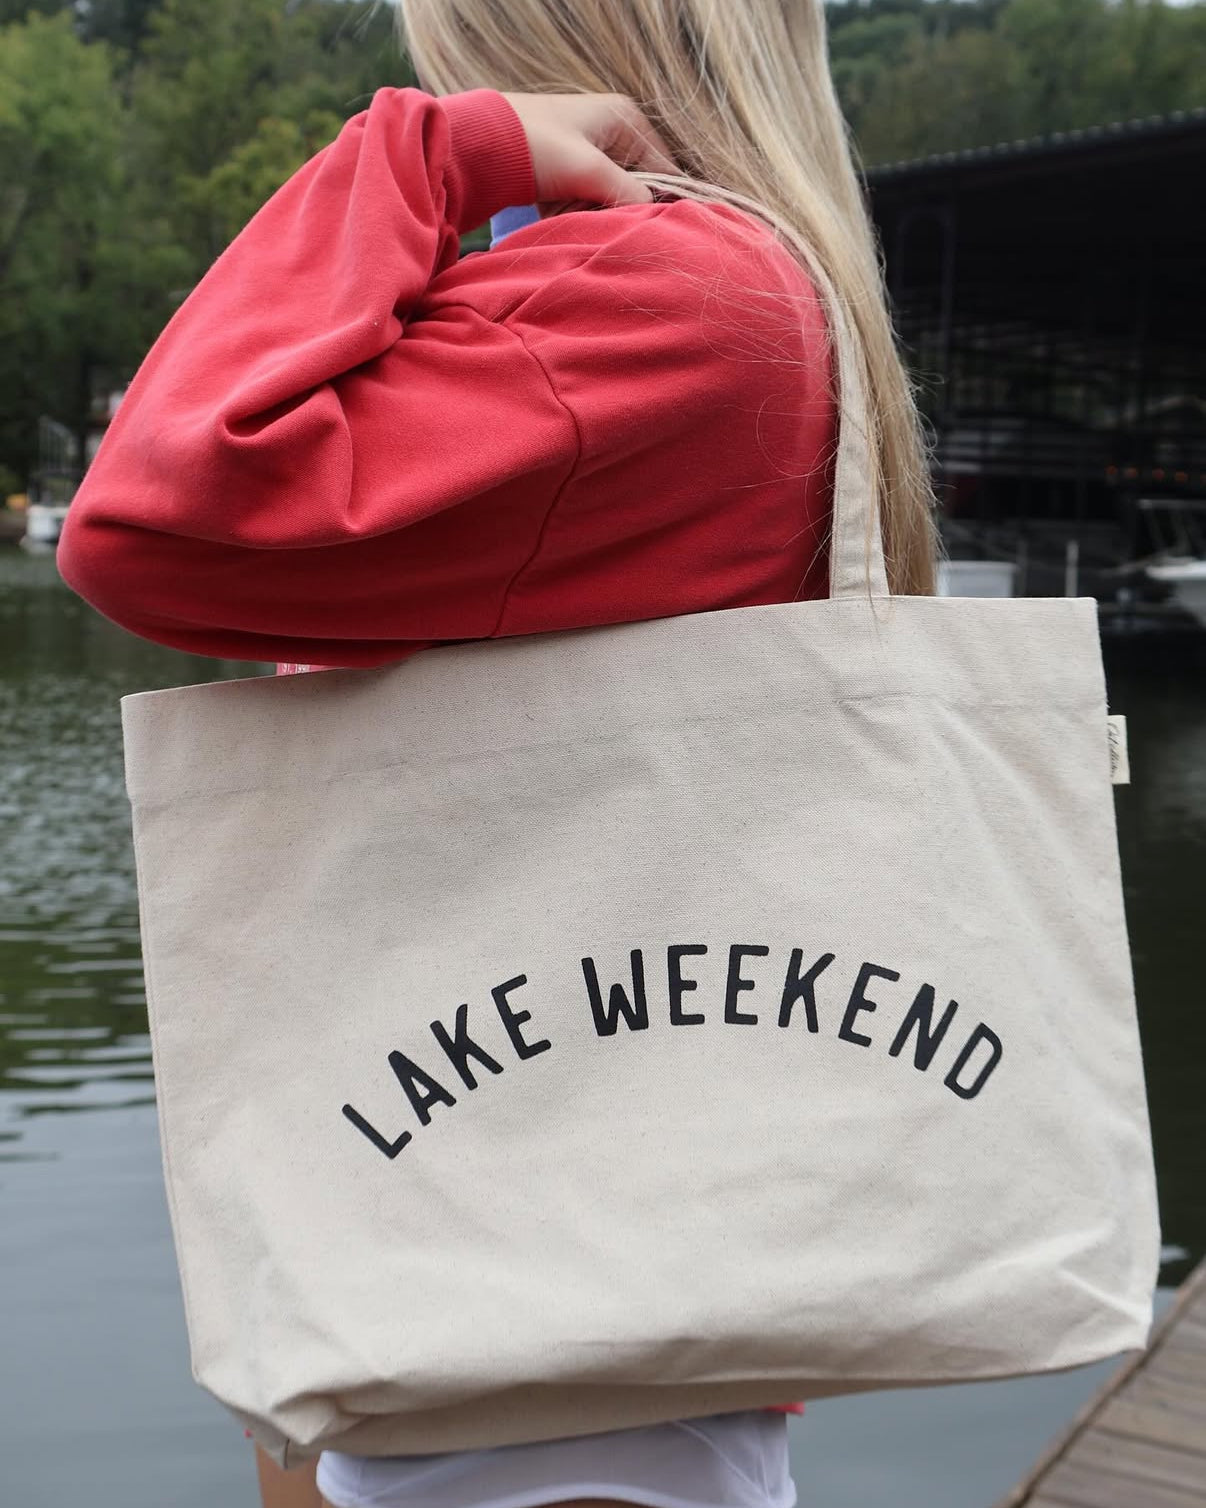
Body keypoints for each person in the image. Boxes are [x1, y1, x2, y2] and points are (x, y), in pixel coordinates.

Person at [57, 1, 940, 1505]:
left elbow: (153, 516)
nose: (434, 74)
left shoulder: (658, 292)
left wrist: (419, 155)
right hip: (536, 1285)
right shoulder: (730, 295)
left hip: (538, 1354)